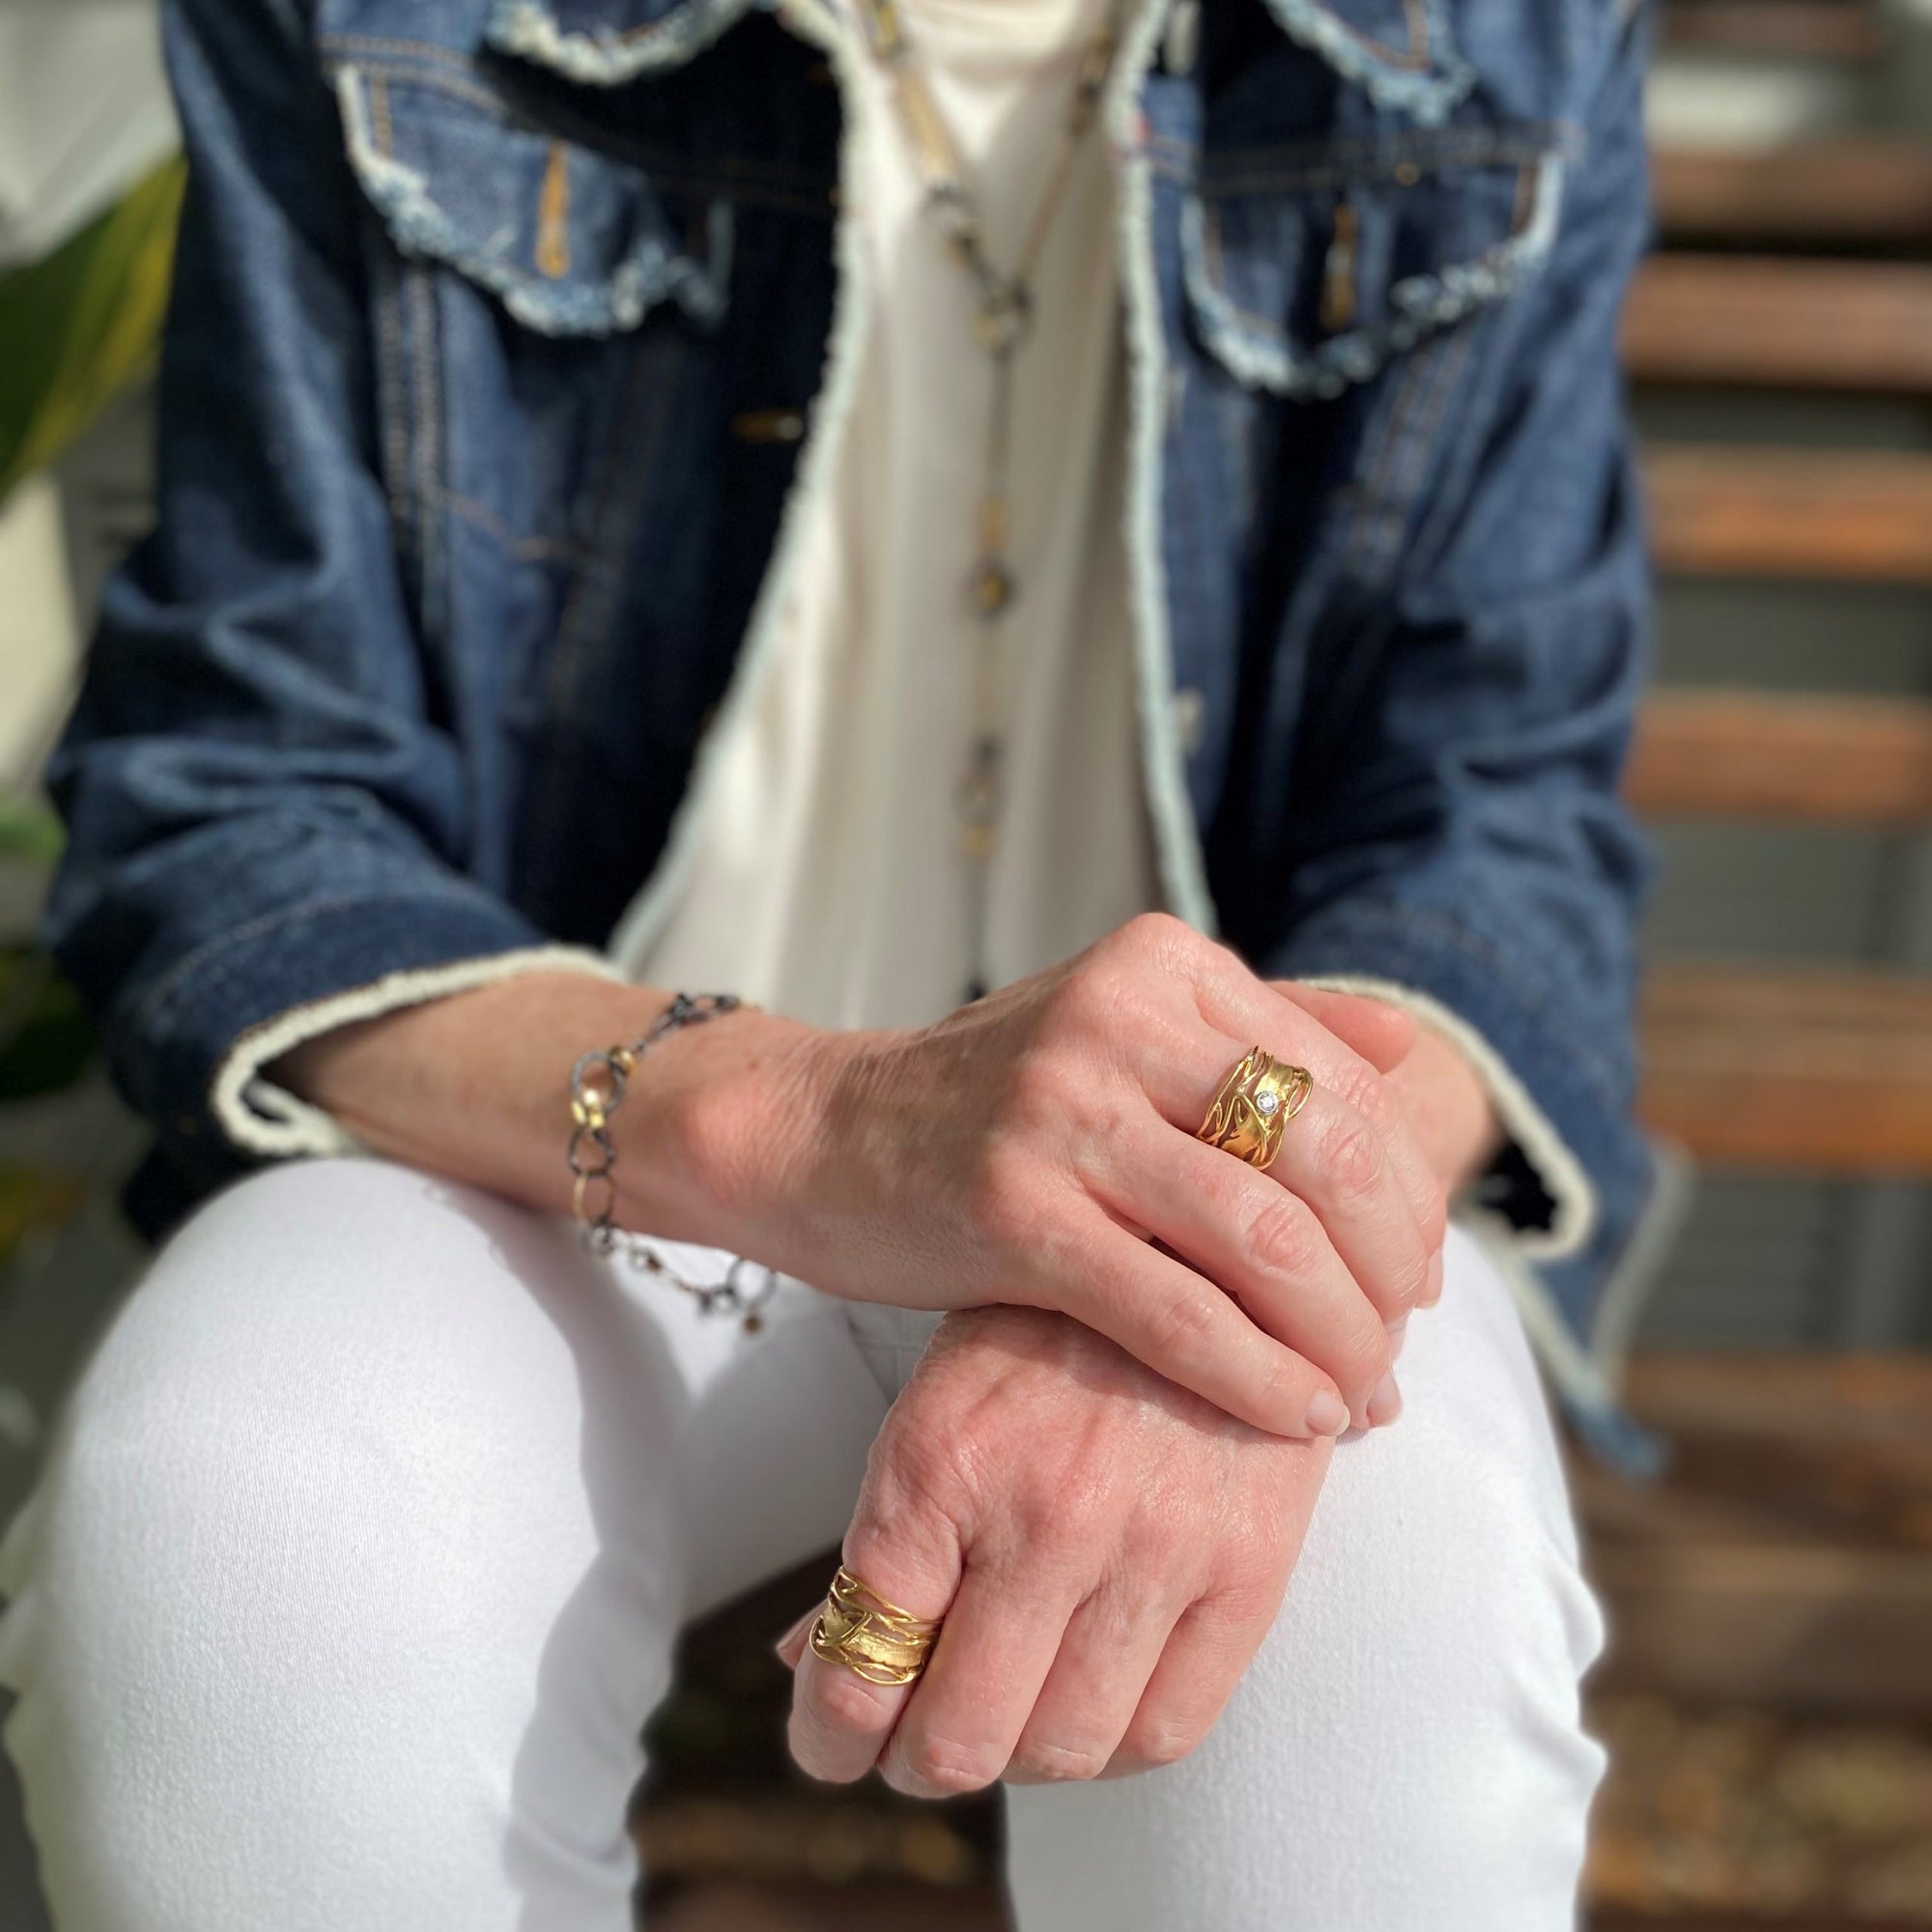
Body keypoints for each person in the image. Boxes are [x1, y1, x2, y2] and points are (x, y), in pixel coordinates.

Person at [0, 0, 1659, 1923]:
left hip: (1226, 1155)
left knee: (1388, 1608)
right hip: (550, 1141)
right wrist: (812, 1120)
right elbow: (241, 794)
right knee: (241, 1531)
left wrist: (1193, 1248)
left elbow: (1495, 822)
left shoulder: (1508, 35)